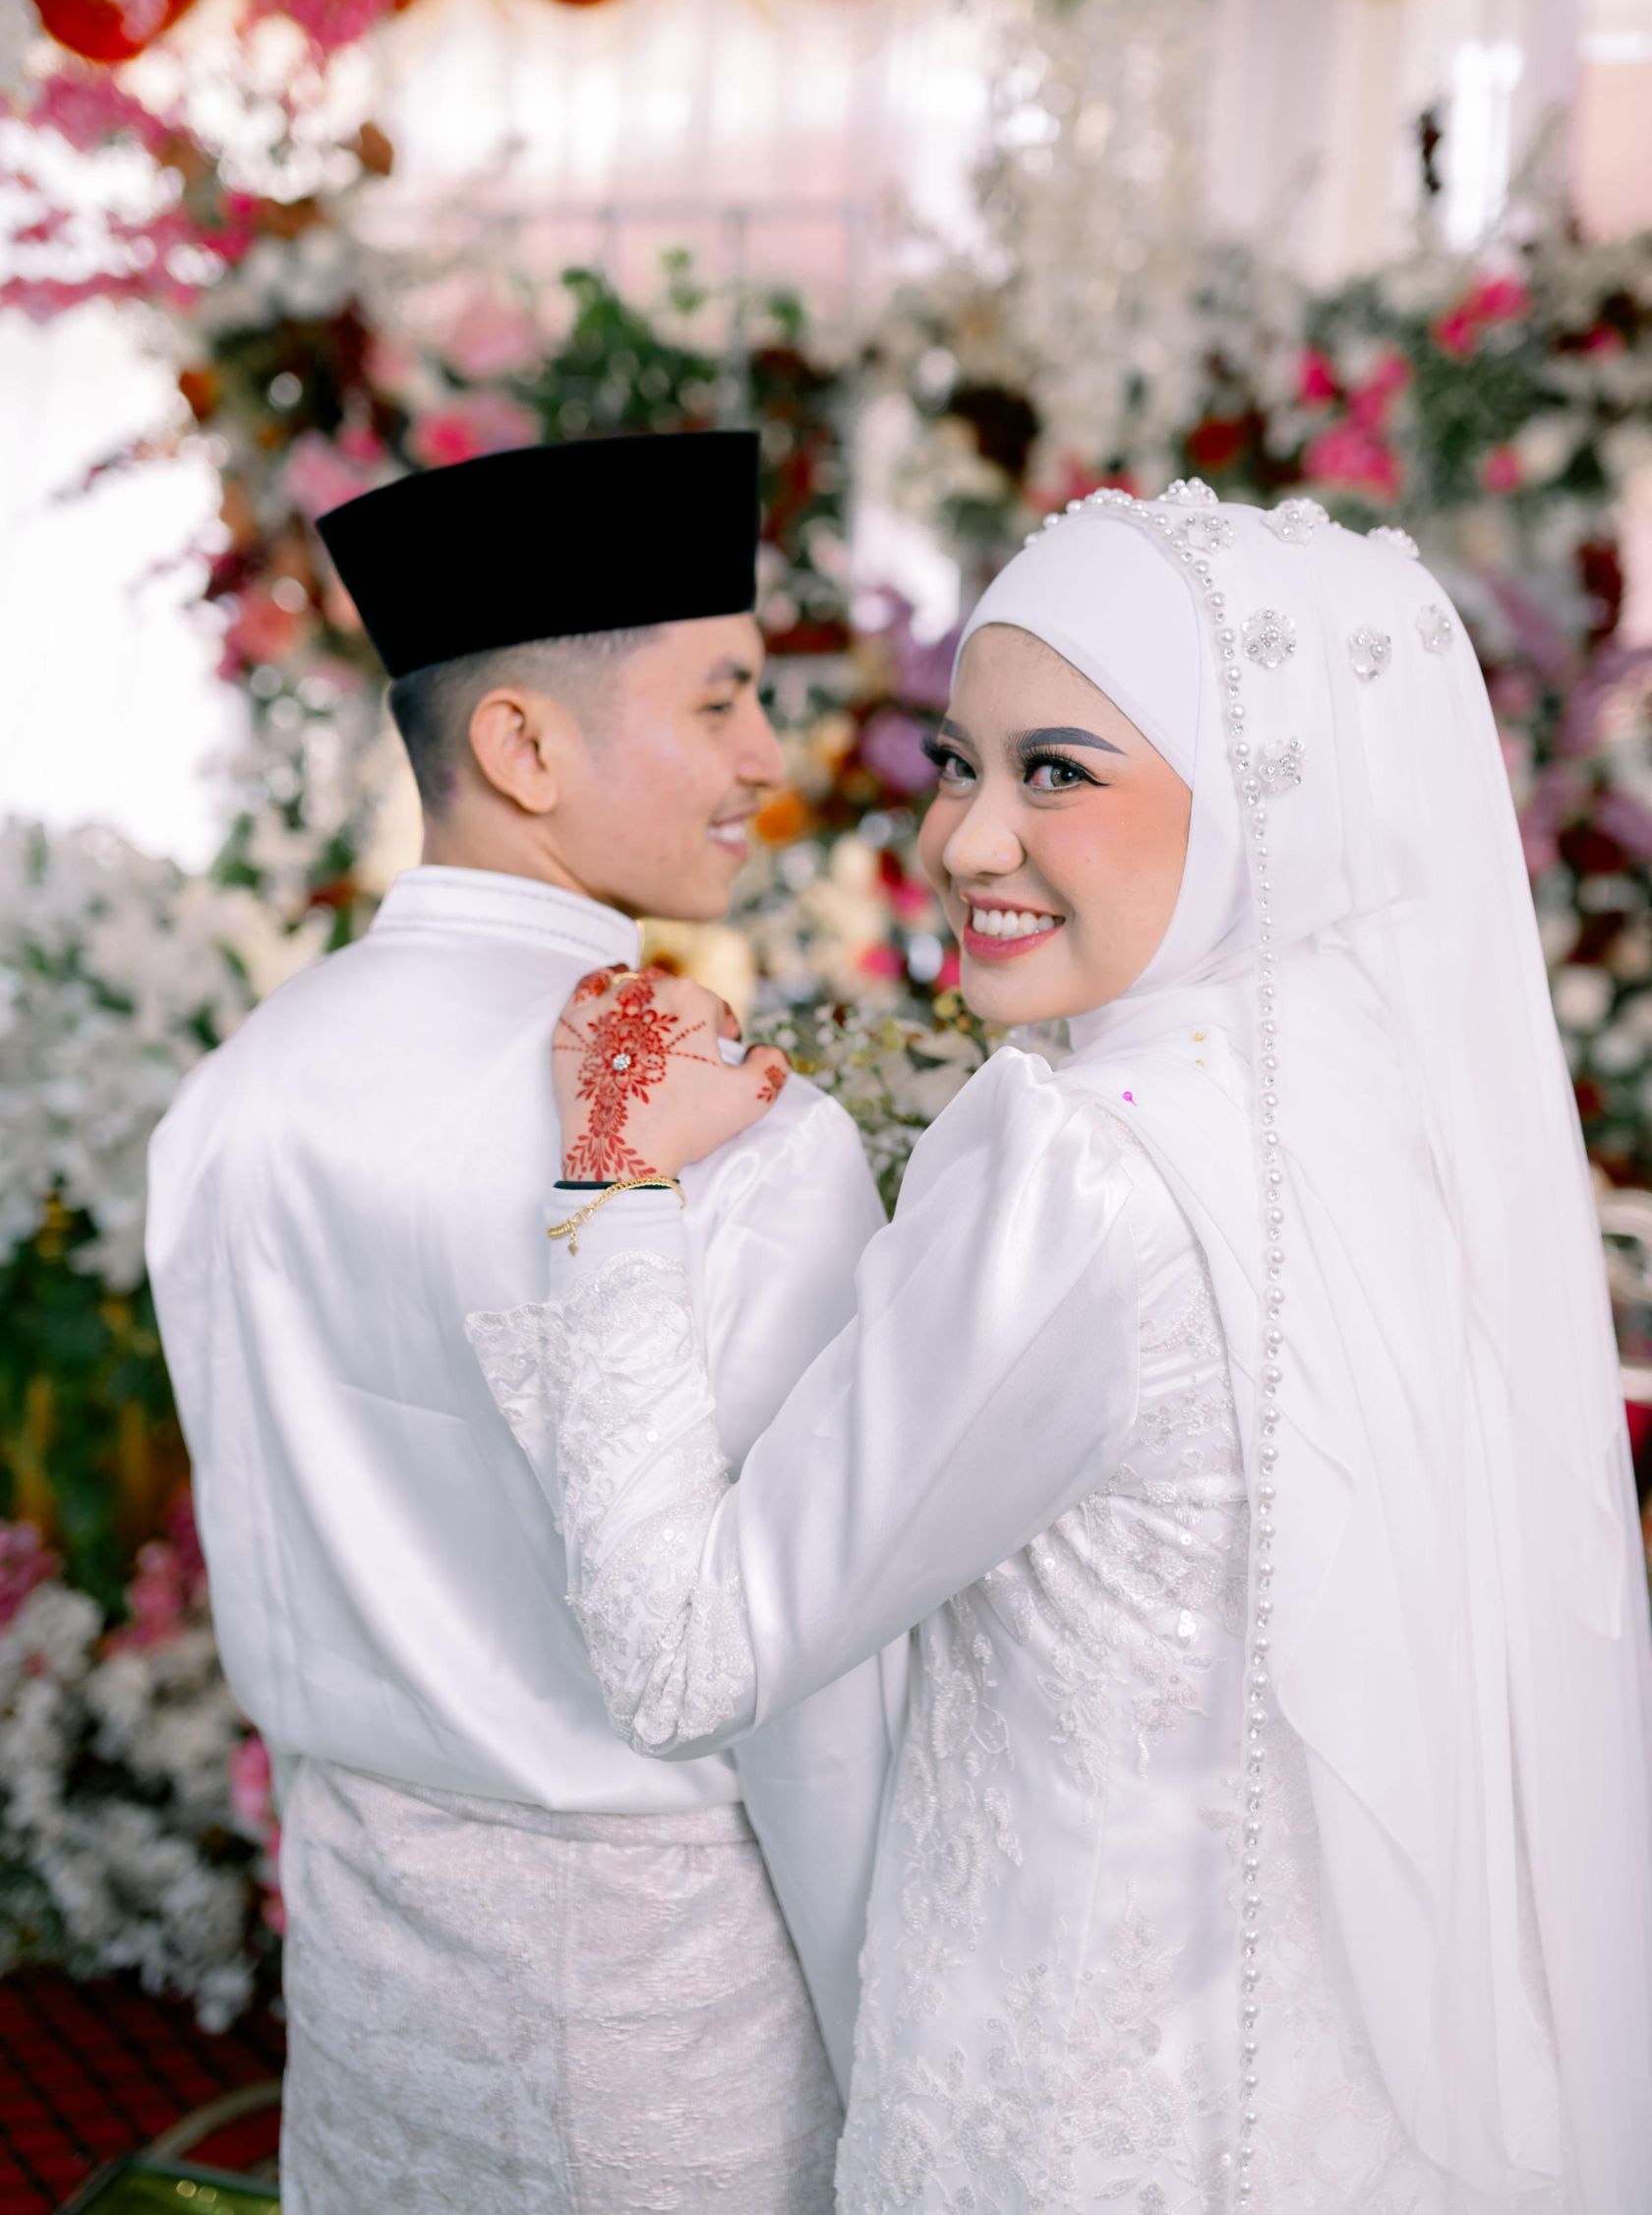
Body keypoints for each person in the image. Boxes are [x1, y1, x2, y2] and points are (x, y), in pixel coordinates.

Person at [469, 485, 1652, 2211]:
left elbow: (685, 1655)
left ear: (1253, 803)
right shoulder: (1383, 1104)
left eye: (1058, 773)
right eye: (959, 763)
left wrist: (612, 1175)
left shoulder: (1082, 1171)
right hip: (1351, 2131)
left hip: (1075, 2134)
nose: (964, 841)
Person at [146, 432, 894, 2214]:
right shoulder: (733, 1131)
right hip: (675, 2026)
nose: (768, 756)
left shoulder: (232, 1100)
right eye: (719, 698)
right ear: (523, 745)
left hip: (361, 1985)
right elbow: (817, 1710)